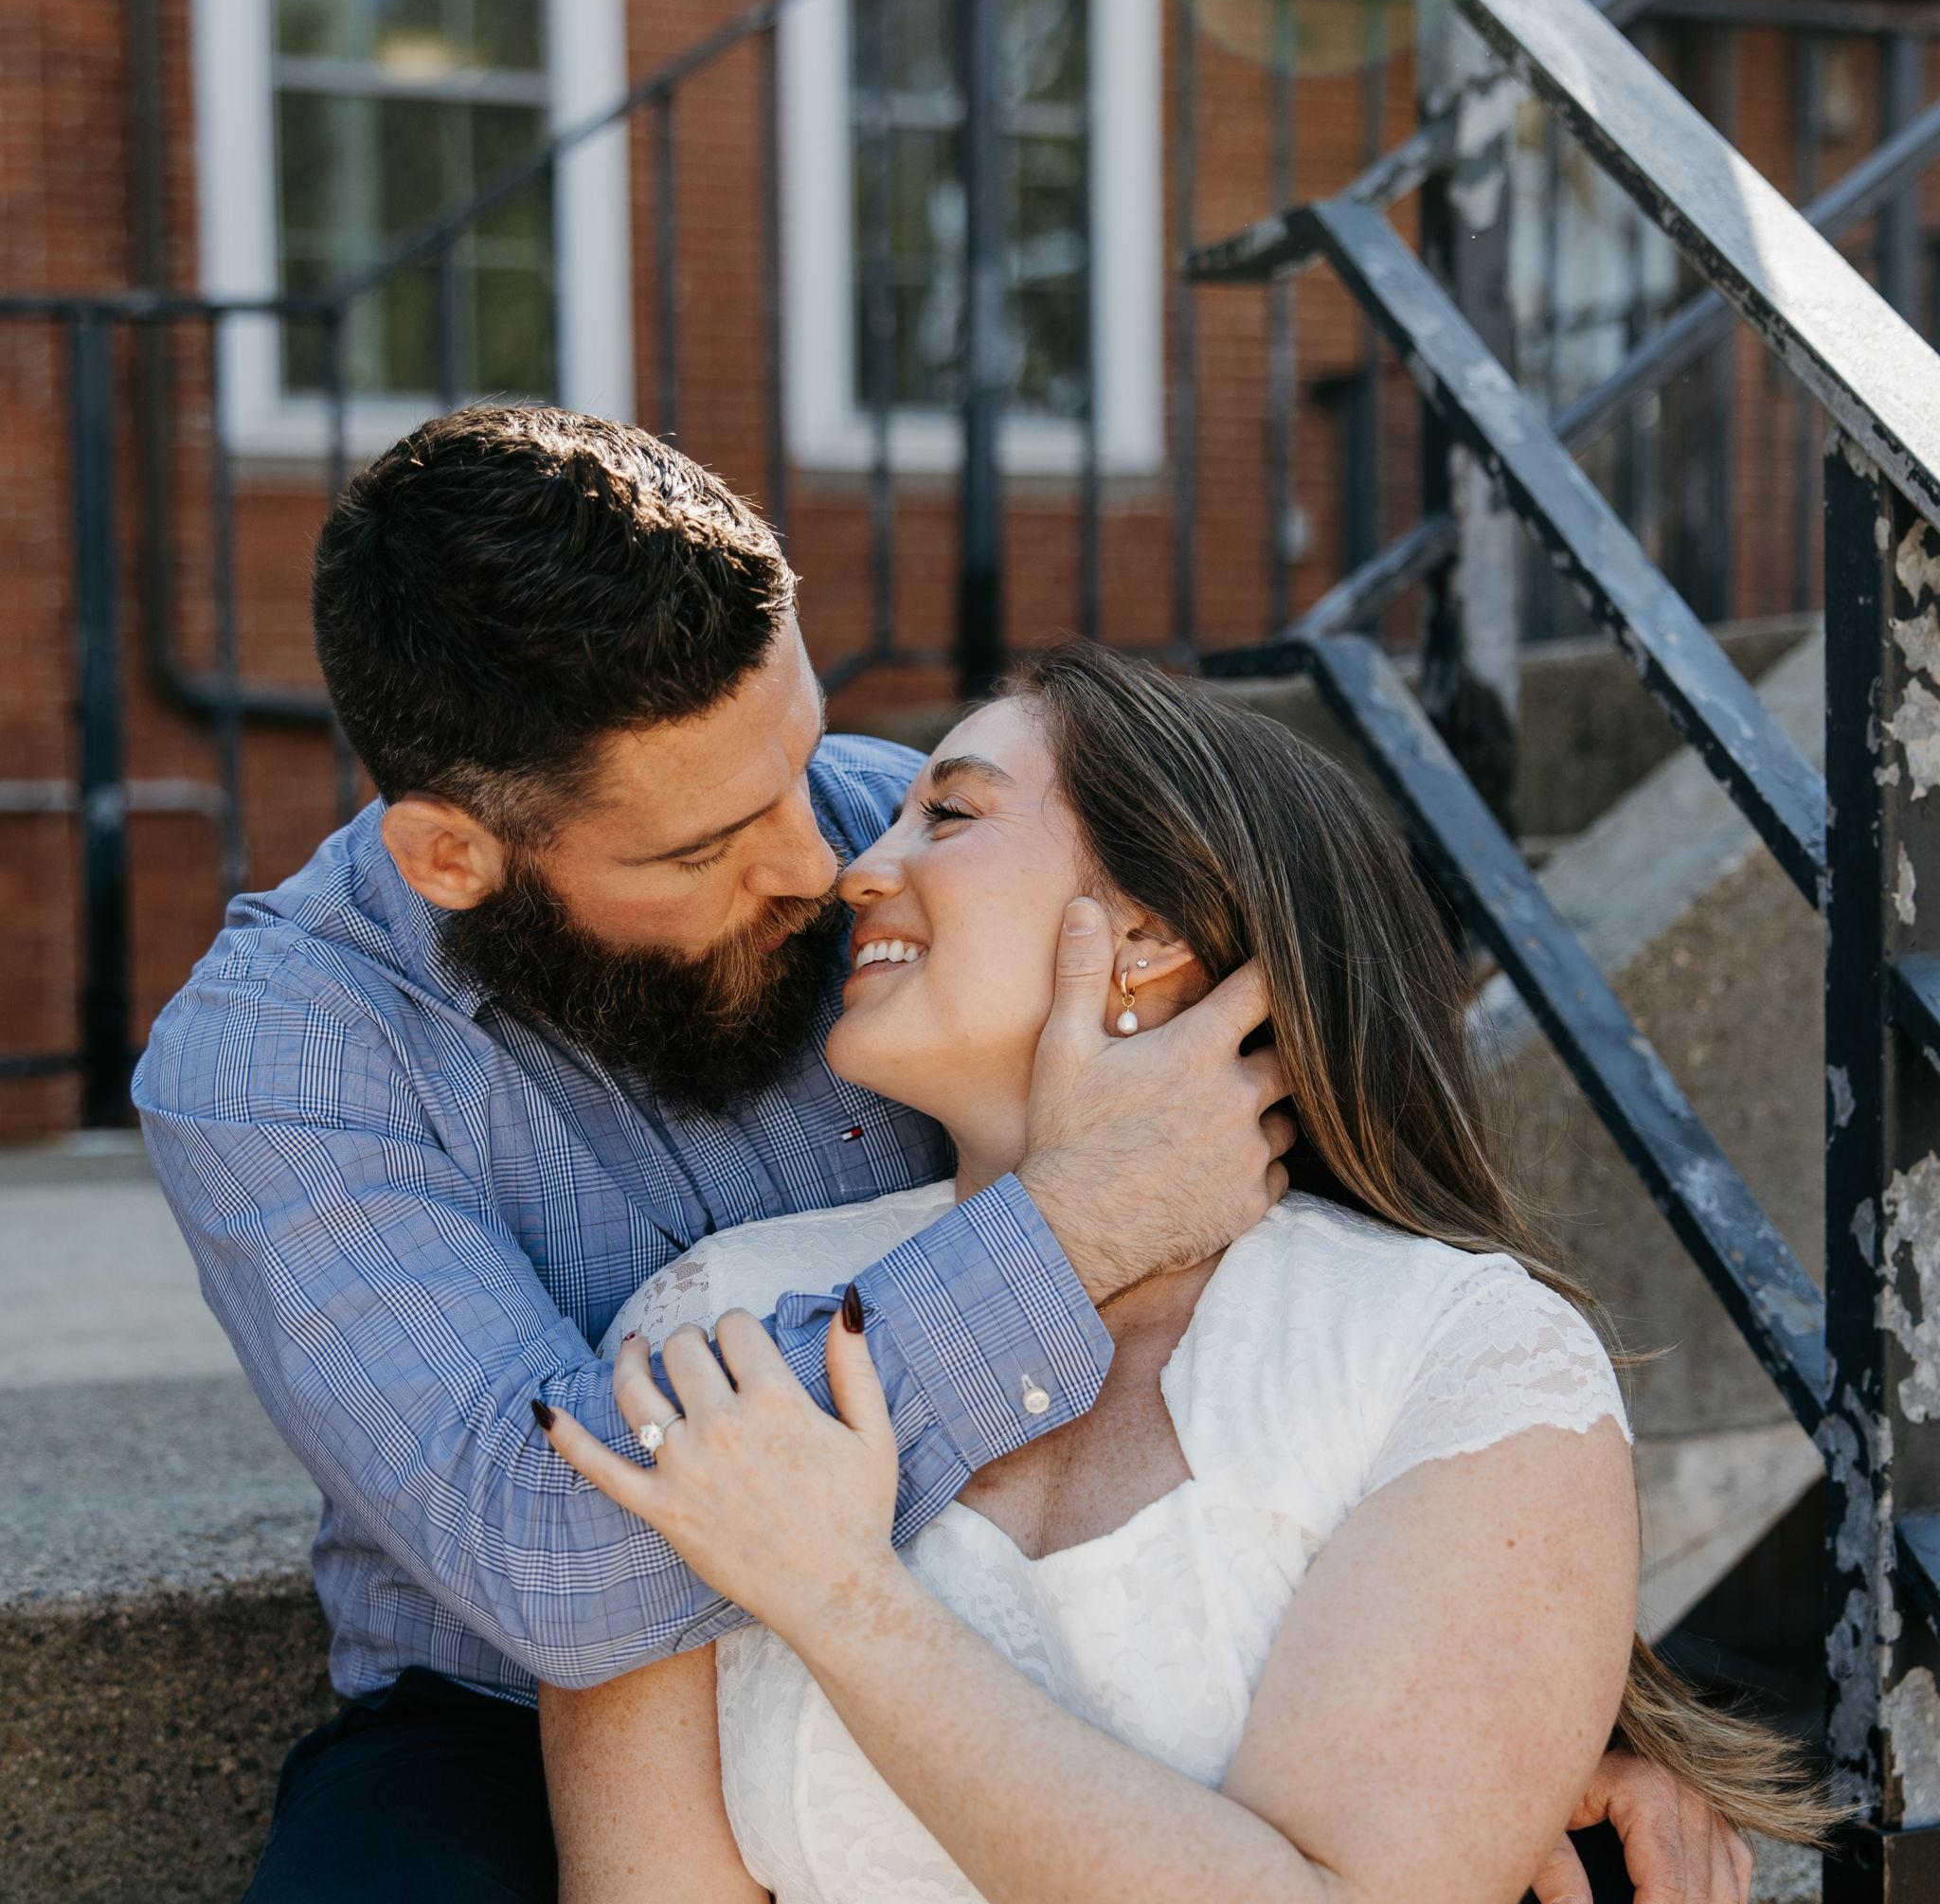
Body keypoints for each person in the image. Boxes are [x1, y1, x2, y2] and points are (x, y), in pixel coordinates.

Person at [132, 407, 1765, 1901]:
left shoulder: (874, 837)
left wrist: (1517, 1704)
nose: (830, 860)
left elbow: (1371, 1298)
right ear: (453, 853)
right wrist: (1071, 1233)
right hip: (516, 1685)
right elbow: (561, 1565)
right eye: (708, 844)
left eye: (812, 765)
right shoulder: (279, 1056)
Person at [536, 643, 1836, 1904]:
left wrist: (840, 1596)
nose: (859, 870)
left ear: (1145, 931)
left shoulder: (1456, 1356)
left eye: (951, 813)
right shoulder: (716, 1318)